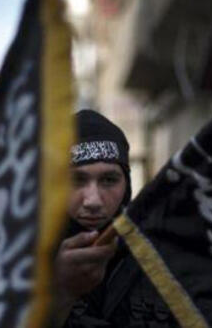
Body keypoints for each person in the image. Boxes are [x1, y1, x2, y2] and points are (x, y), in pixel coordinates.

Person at [55, 109, 177, 327]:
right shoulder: (18, 260)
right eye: (76, 181)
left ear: (126, 186)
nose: (93, 201)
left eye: (109, 180)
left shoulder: (159, 256)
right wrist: (61, 294)